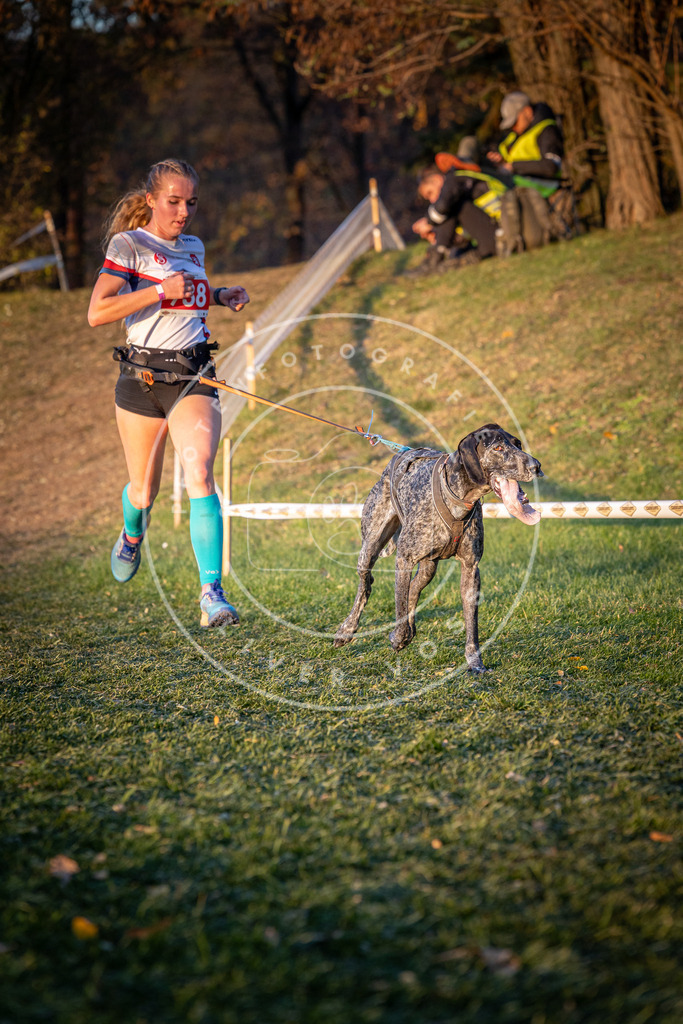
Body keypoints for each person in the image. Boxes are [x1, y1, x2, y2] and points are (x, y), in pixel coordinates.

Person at [88, 158, 250, 629]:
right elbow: (98, 312)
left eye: (191, 203)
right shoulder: (129, 244)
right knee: (143, 491)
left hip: (193, 374)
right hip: (142, 379)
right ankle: (132, 534)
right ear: (152, 201)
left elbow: (186, 298)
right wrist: (159, 289)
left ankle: (211, 595)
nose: (184, 212)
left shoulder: (194, 245)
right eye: (174, 202)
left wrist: (218, 295)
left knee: (199, 471)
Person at [408, 137, 508, 276]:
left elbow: (443, 206)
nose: (432, 200)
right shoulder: (466, 182)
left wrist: (429, 221)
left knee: (452, 206)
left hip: (503, 236)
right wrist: (438, 234)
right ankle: (437, 258)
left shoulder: (454, 179)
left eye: (430, 193)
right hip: (497, 235)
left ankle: (434, 260)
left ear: (437, 179)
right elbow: (471, 227)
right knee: (456, 251)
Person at [487, 91, 566, 254]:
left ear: (527, 112)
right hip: (519, 184)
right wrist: (500, 161)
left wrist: (514, 166)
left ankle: (517, 240)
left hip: (543, 185)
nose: (513, 128)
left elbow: (551, 167)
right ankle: (510, 240)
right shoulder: (517, 135)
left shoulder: (546, 130)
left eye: (515, 122)